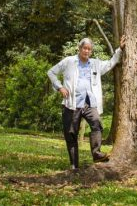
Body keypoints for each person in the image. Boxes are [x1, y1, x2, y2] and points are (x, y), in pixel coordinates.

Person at [47, 35, 126, 169]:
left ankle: (96, 153)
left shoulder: (95, 64)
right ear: (80, 48)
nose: (87, 51)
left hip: (89, 102)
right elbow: (51, 72)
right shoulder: (69, 61)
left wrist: (120, 49)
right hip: (71, 104)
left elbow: (110, 63)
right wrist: (59, 87)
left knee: (97, 124)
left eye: (89, 49)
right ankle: (74, 166)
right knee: (71, 134)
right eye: (85, 48)